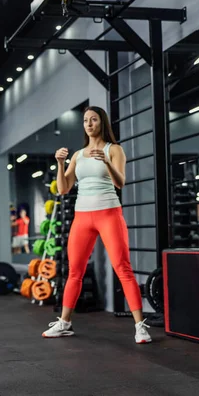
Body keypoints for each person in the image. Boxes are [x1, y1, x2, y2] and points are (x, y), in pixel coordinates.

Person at [41, 106, 152, 344]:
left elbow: (121, 183)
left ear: (102, 123)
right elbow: (63, 189)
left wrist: (107, 162)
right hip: (83, 216)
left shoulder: (115, 149)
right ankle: (65, 323)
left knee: (123, 268)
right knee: (74, 272)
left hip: (109, 213)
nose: (89, 124)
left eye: (94, 119)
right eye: (85, 121)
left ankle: (140, 327)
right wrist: (60, 163)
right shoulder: (78, 155)